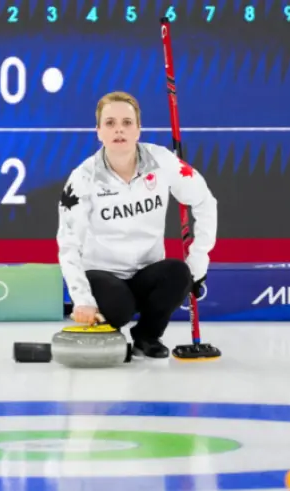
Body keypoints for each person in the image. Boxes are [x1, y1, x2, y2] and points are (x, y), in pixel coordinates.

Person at [56, 91, 218, 359]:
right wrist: (82, 298)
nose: (119, 129)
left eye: (127, 122)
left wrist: (200, 256)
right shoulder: (82, 178)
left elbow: (204, 200)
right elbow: (68, 243)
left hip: (147, 273)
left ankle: (147, 336)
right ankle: (110, 328)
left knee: (180, 273)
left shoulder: (163, 162)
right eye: (109, 123)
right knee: (120, 308)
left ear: (138, 129)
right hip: (103, 274)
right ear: (98, 131)